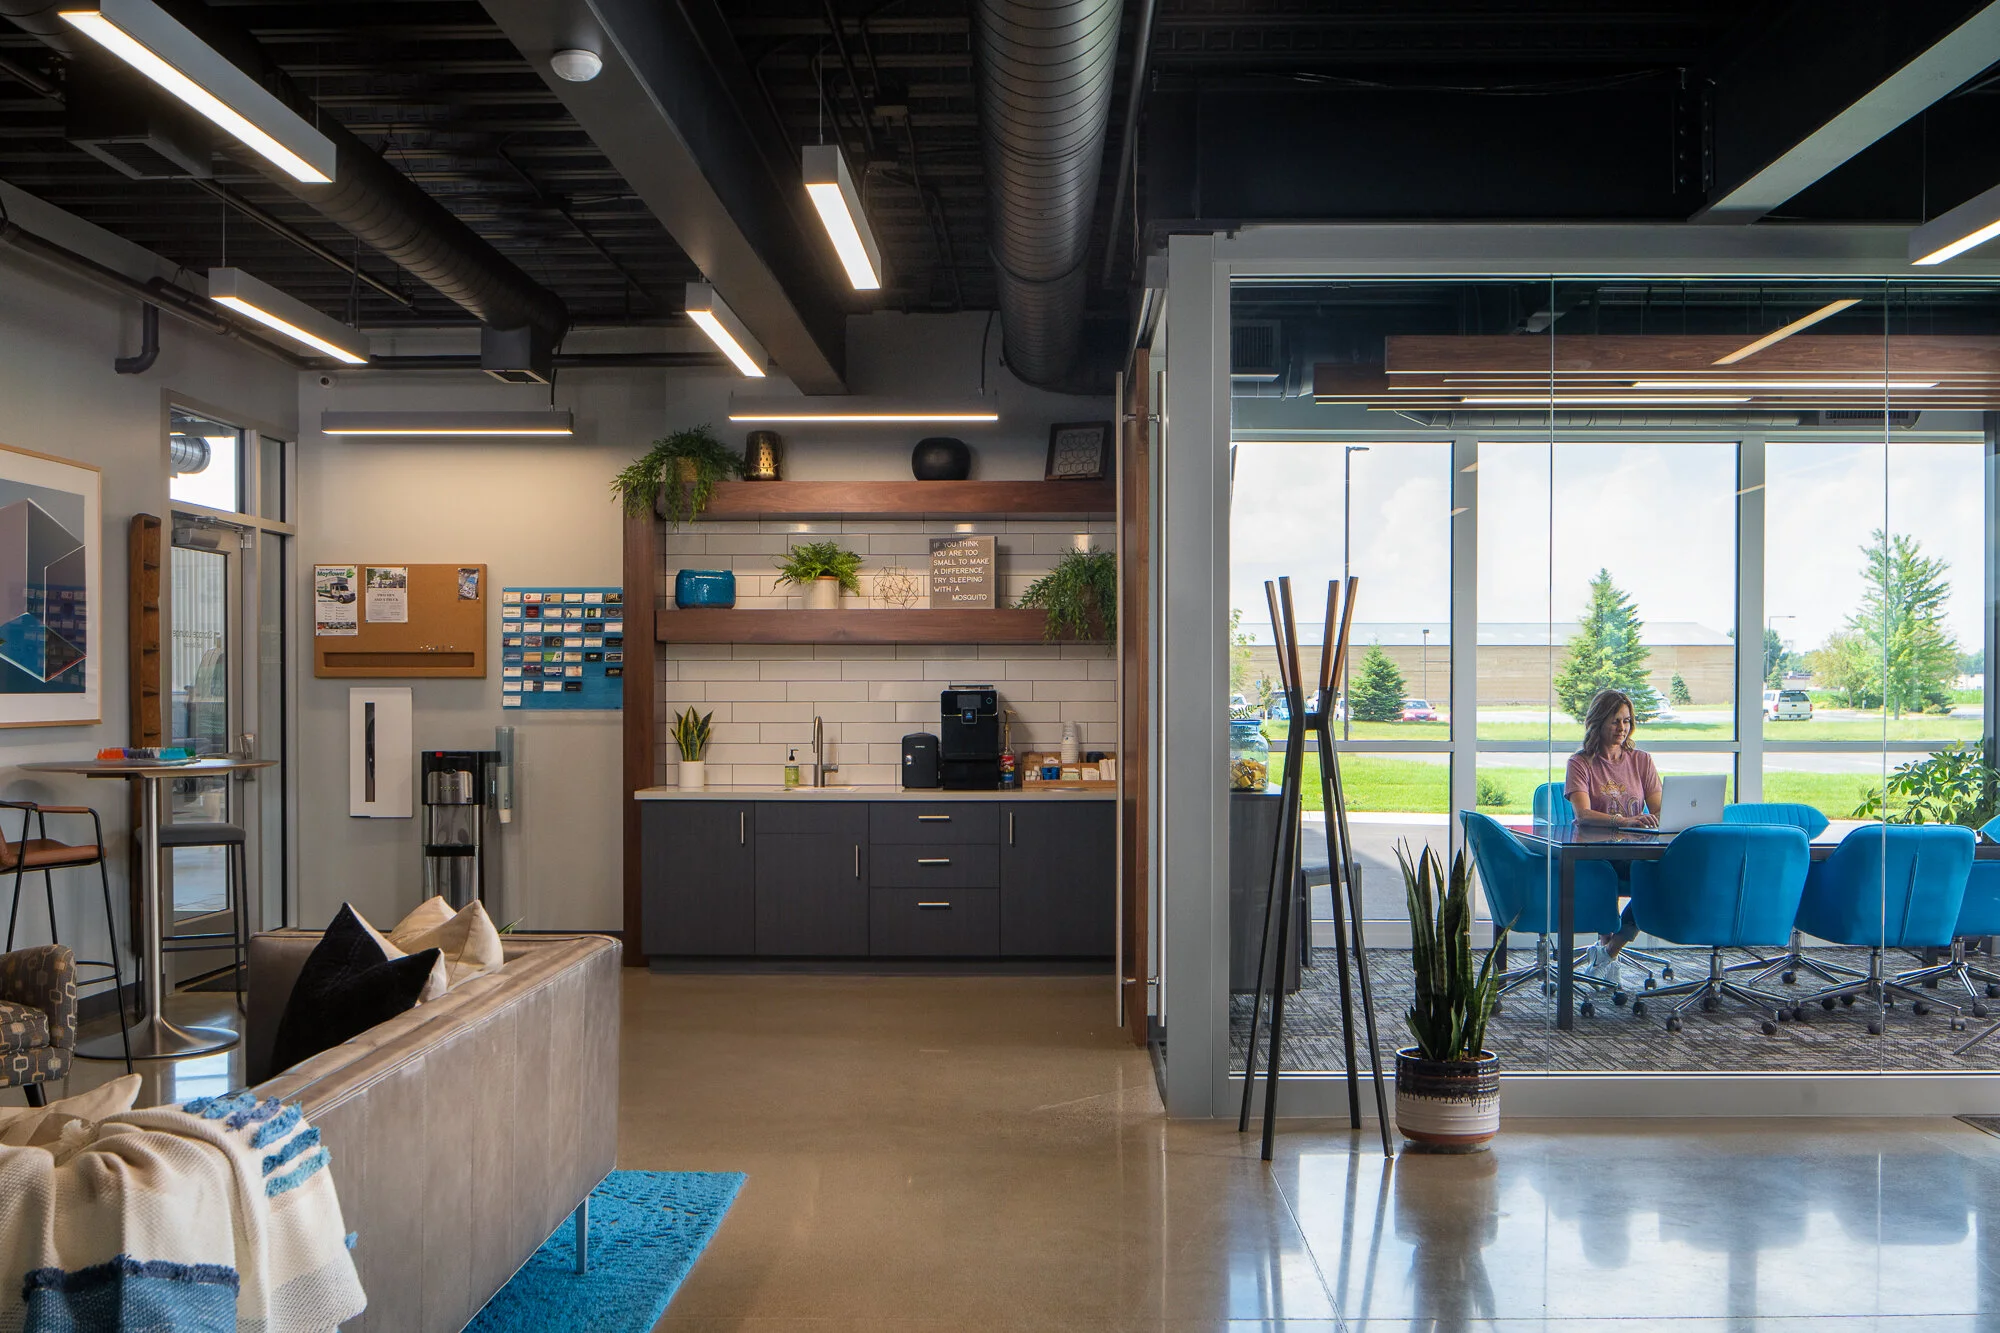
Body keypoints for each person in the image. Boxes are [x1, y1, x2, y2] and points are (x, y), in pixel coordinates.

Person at [1565, 688, 1662, 986]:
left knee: (1661, 877)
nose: (1622, 728)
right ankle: (1607, 953)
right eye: (1615, 721)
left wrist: (1650, 819)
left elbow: (1659, 810)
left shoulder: (1641, 760)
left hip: (1634, 851)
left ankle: (1609, 951)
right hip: (1594, 854)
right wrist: (1625, 820)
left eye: (1627, 721)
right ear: (1598, 722)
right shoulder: (1580, 763)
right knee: (1606, 877)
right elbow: (1583, 814)